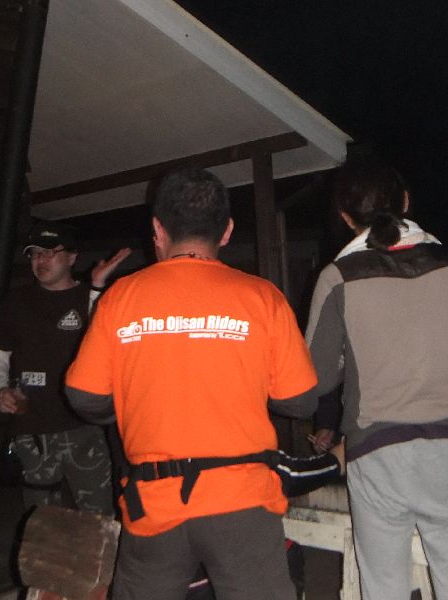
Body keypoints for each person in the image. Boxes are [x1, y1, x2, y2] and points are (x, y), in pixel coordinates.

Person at [64, 168, 318, 600]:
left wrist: (128, 404)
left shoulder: (121, 297)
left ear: (158, 229)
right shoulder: (262, 298)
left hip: (154, 506)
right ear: (227, 231)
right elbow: (300, 400)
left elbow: (84, 397)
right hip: (242, 502)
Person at [305, 159, 448, 600]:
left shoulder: (337, 277)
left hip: (376, 452)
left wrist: (354, 358)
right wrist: (444, 347)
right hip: (447, 448)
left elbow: (316, 379)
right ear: (405, 201)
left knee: (383, 588)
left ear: (345, 216)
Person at [0, 222, 130, 515]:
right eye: (35, 253)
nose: (40, 260)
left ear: (72, 257)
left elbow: (102, 335)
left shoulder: (91, 296)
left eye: (50, 252)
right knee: (41, 522)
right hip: (32, 430)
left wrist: (97, 286)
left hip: (84, 428)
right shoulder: (16, 301)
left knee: (98, 518)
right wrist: (0, 388)